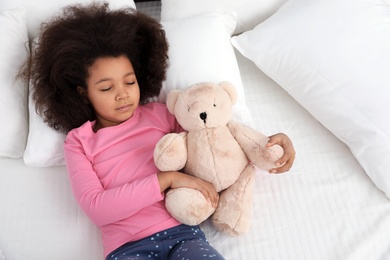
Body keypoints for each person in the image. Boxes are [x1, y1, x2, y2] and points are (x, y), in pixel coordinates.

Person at [24, 2, 295, 259]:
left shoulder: (161, 114)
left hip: (184, 235)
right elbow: (98, 208)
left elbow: (215, 145)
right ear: (83, 94)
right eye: (107, 88)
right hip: (127, 248)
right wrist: (168, 180)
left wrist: (267, 145)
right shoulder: (79, 142)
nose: (122, 95)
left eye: (129, 82)